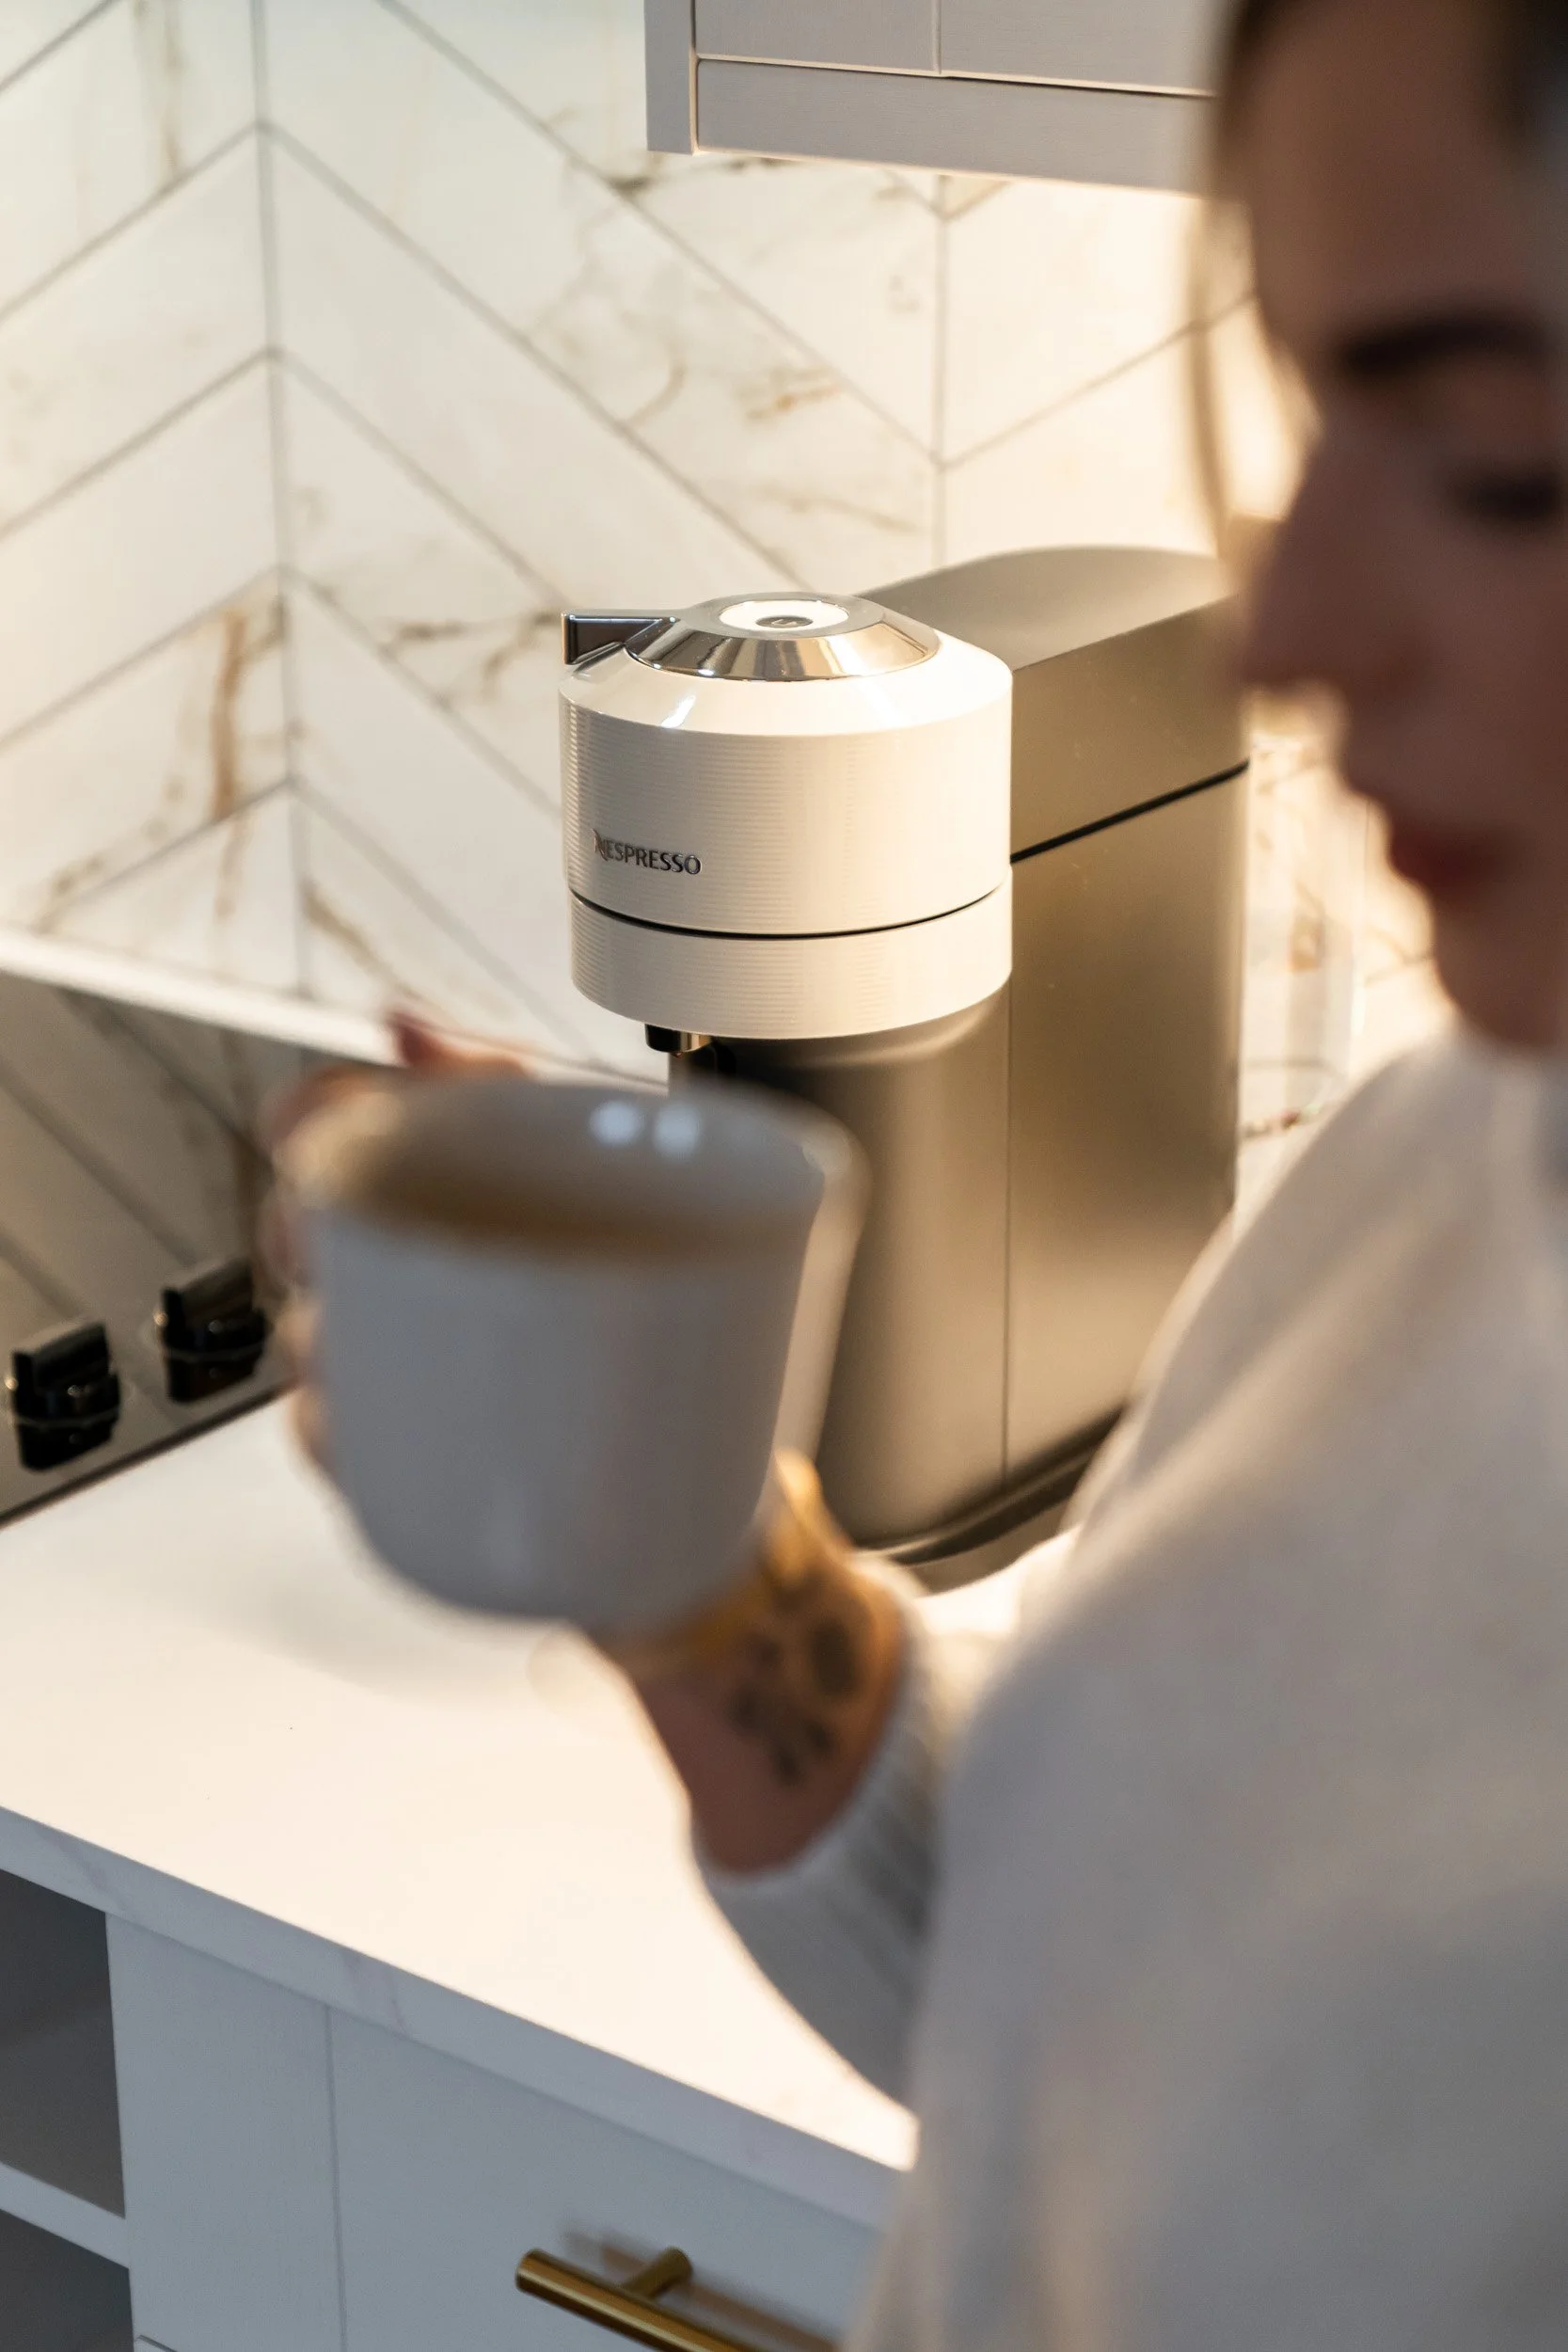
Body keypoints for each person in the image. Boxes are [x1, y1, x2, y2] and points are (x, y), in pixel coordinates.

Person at [280, 0, 1568, 2341]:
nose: (1278, 634)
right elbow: (1094, 1994)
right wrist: (684, 1540)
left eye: (1487, 455)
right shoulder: (1454, 1153)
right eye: (1304, 424)